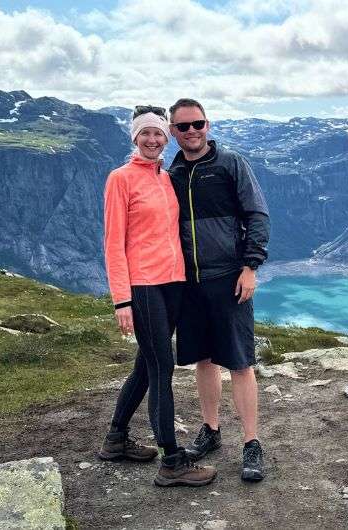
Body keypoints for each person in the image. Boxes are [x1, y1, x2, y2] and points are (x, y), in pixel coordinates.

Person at [98, 105, 217, 488]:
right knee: (161, 368)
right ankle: (172, 461)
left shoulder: (166, 178)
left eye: (158, 134)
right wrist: (122, 299)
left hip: (174, 286)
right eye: (145, 134)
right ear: (135, 138)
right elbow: (114, 244)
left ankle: (116, 440)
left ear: (166, 139)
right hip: (145, 288)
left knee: (145, 366)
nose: (152, 140)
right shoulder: (121, 179)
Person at [167, 98, 270, 482]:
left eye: (198, 124)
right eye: (183, 127)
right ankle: (210, 431)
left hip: (229, 278)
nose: (192, 132)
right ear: (173, 132)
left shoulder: (230, 165)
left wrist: (250, 267)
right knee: (204, 359)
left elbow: (257, 214)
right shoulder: (171, 172)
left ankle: (251, 443)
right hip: (188, 283)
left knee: (240, 362)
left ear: (208, 126)